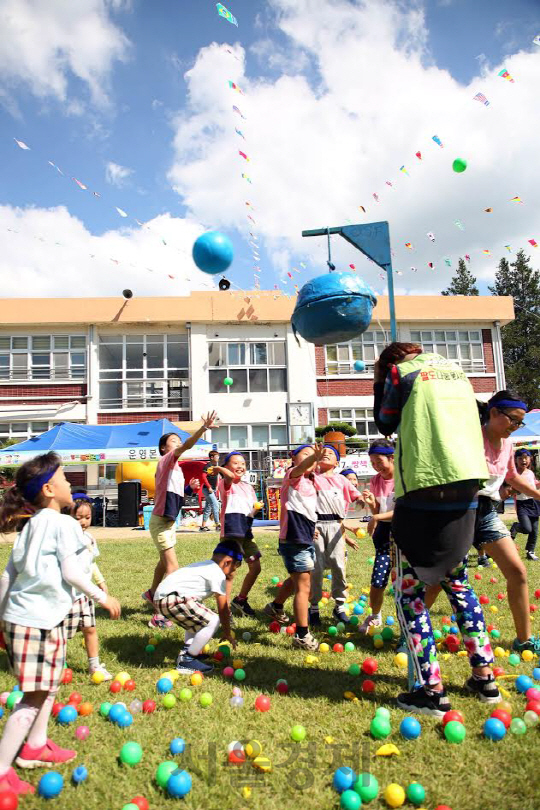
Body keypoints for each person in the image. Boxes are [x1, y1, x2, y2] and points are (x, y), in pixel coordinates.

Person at [374, 342, 499, 716]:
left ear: (391, 362)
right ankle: (484, 676)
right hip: (466, 486)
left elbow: (386, 422)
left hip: (425, 485)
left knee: (408, 591)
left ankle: (430, 690)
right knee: (457, 580)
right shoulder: (456, 371)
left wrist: (381, 382)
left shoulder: (401, 373)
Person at [0, 452, 120, 795]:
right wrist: (102, 598)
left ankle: (37, 744)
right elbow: (72, 572)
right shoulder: (63, 524)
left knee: (48, 685)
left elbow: (8, 576)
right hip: (37, 622)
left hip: (24, 619)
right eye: (67, 478)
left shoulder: (30, 525)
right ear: (50, 489)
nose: (71, 483)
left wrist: (0, 617)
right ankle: (3, 768)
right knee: (32, 699)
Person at [428, 391, 540, 653]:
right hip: (456, 512)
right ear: (493, 413)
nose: (515, 427)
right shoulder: (469, 438)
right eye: (513, 420)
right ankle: (411, 632)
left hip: (486, 512)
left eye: (519, 423)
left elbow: (512, 477)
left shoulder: (508, 445)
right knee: (437, 580)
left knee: (518, 572)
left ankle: (524, 640)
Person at [142, 412, 218, 628]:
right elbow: (185, 447)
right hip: (161, 521)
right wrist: (203, 429)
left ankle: (152, 593)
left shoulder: (174, 468)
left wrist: (188, 488)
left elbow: (170, 491)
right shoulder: (167, 459)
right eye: (173, 441)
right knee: (173, 569)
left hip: (168, 520)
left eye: (178, 440)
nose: (177, 443)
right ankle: (159, 615)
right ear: (165, 448)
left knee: (162, 563)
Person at [263, 443, 326, 651]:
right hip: (293, 539)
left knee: (298, 579)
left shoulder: (311, 482)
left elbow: (305, 510)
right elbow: (301, 468)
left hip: (304, 537)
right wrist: (313, 457)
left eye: (313, 455)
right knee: (304, 587)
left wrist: (312, 528)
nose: (311, 457)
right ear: (294, 460)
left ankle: (276, 606)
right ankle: (301, 635)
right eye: (305, 454)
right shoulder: (292, 475)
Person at [153, 541, 240, 675]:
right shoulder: (217, 573)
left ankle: (187, 651)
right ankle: (187, 660)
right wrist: (227, 632)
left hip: (162, 598)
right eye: (235, 568)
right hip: (172, 599)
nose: (234, 572)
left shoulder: (206, 565)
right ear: (227, 562)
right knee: (213, 620)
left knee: (196, 619)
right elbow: (223, 608)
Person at [308, 445, 363, 626]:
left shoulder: (341, 480)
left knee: (339, 565)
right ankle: (314, 607)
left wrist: (362, 499)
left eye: (330, 453)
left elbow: (356, 495)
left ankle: (339, 606)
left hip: (336, 526)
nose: (326, 455)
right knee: (316, 567)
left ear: (337, 462)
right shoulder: (312, 477)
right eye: (323, 453)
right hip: (316, 526)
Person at [213, 452, 261, 618]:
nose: (240, 466)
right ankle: (224, 611)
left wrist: (256, 509)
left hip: (246, 533)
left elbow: (251, 510)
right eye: (235, 463)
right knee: (229, 572)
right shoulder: (226, 483)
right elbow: (229, 477)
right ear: (227, 467)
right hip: (232, 533)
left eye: (243, 463)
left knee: (255, 567)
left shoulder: (248, 487)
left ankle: (240, 600)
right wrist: (219, 468)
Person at [70, 499, 112, 681]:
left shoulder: (90, 539)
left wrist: (100, 581)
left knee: (90, 629)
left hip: (85, 595)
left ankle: (94, 665)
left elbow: (92, 563)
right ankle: (51, 665)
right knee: (62, 634)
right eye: (78, 517)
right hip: (68, 596)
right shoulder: (66, 539)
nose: (83, 521)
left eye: (87, 517)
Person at [357, 439, 395, 634]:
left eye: (379, 461)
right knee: (378, 580)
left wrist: (376, 516)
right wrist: (372, 504)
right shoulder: (376, 480)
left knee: (404, 581)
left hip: (402, 533)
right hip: (382, 535)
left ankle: (410, 617)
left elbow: (403, 511)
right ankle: (376, 615)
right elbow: (378, 510)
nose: (376, 466)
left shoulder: (403, 479)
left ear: (392, 457)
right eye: (372, 463)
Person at [510, 448, 540, 560]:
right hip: (522, 504)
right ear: (516, 460)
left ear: (530, 459)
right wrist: (515, 490)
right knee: (527, 529)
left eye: (526, 458)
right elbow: (510, 488)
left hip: (534, 503)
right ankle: (515, 526)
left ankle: (530, 551)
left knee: (535, 530)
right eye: (520, 458)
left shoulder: (531, 473)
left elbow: (534, 484)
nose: (523, 460)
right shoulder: (514, 474)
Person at [199, 450, 221, 532]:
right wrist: (209, 487)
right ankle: (218, 524)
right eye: (216, 456)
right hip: (208, 489)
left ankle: (203, 526)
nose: (218, 458)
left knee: (208, 507)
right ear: (211, 457)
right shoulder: (208, 466)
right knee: (215, 505)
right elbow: (203, 477)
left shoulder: (215, 466)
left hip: (213, 489)